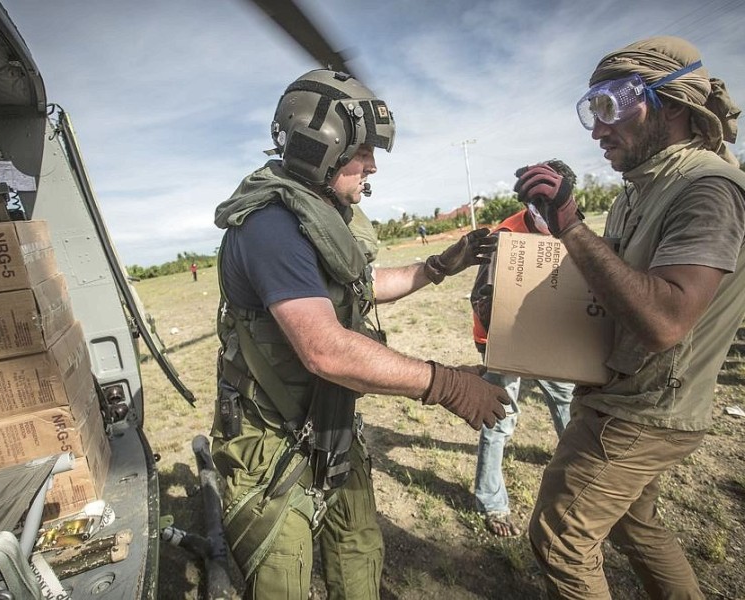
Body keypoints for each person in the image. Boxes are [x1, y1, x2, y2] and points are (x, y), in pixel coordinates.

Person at [210, 69, 510, 600]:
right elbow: (325, 348)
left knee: (359, 564)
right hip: (272, 445)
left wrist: (440, 265)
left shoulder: (323, 217)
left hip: (330, 427)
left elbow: (361, 285)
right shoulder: (272, 227)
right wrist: (448, 385)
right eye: (363, 151)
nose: (372, 165)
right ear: (320, 147)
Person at [517, 36, 745, 599]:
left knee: (561, 540)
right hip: (621, 393)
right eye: (591, 111)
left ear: (669, 104)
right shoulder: (636, 192)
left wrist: (572, 227)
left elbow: (664, 320)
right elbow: (610, 290)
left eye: (610, 107)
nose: (597, 129)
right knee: (636, 526)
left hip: (642, 412)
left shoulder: (707, 188)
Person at [470, 165, 576, 538]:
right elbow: (481, 300)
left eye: (556, 208)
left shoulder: (571, 224)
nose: (548, 218)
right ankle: (491, 502)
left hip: (551, 338)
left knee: (567, 403)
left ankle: (586, 477)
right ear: (529, 207)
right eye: (539, 209)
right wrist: (495, 348)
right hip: (506, 339)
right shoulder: (506, 237)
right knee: (499, 419)